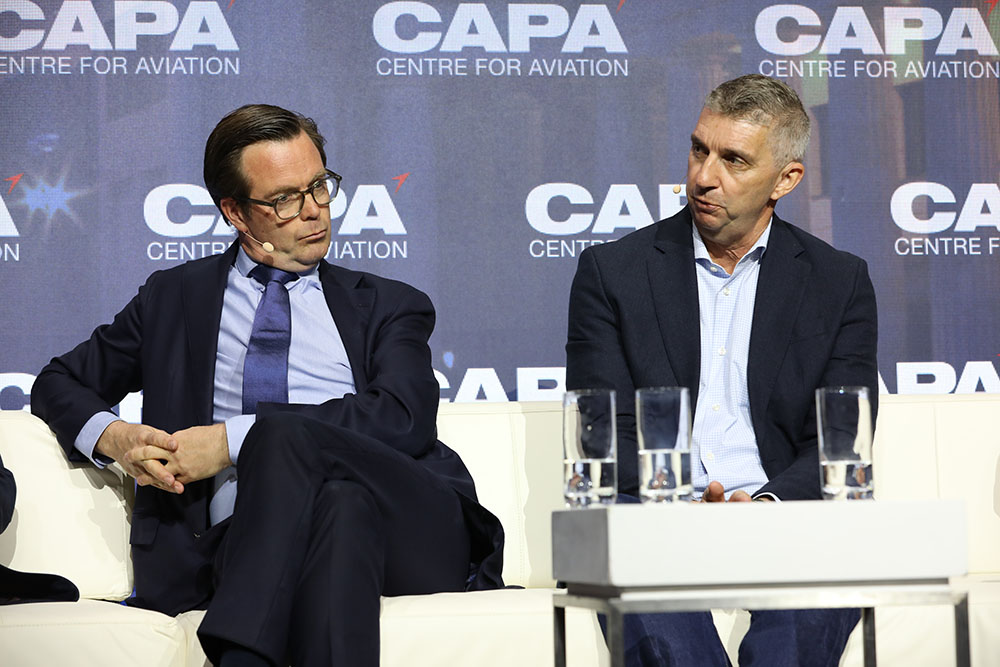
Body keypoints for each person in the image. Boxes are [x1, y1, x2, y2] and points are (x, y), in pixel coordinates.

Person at [31, 104, 503, 667]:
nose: (314, 210)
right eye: (284, 199)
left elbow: (402, 417)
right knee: (340, 506)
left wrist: (229, 441)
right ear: (235, 211)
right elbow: (59, 381)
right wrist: (118, 439)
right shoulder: (174, 298)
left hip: (409, 530)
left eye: (320, 186)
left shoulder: (389, 304)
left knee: (277, 434)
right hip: (234, 541)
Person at [566, 74, 878, 665]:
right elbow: (600, 430)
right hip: (653, 514)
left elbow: (840, 440)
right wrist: (680, 503)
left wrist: (763, 510)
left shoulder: (839, 282)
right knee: (633, 555)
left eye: (733, 160)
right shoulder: (613, 273)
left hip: (785, 517)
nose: (704, 177)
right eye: (698, 149)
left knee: (819, 585)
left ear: (785, 179)